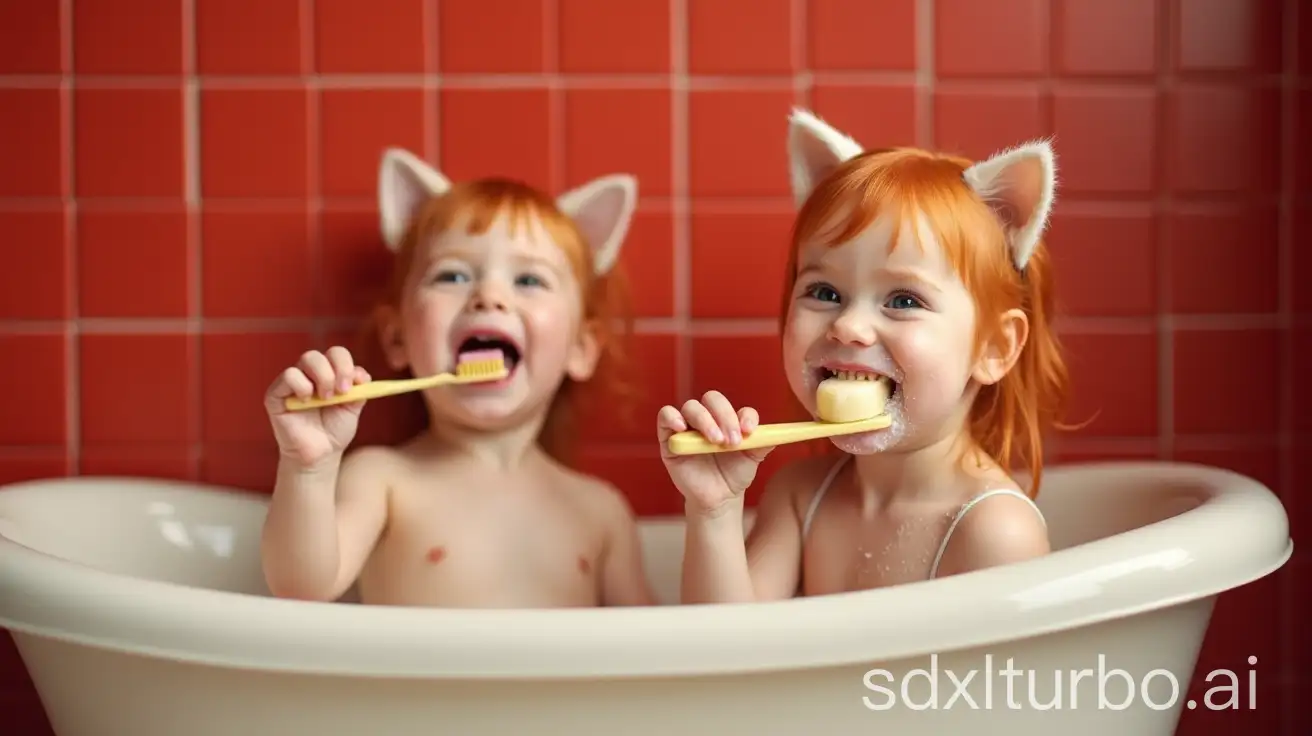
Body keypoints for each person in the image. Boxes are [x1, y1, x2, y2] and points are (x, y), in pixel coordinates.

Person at [658, 110, 1069, 603]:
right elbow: (722, 660)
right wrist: (714, 512)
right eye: (825, 292)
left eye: (903, 300)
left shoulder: (995, 530)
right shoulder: (800, 496)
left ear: (994, 348)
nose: (848, 325)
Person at [261, 148, 656, 608]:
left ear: (580, 349)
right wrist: (308, 468)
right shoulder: (383, 480)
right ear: (398, 338)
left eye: (529, 281)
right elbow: (299, 586)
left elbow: (654, 655)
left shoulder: (600, 512)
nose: (489, 296)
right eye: (452, 275)